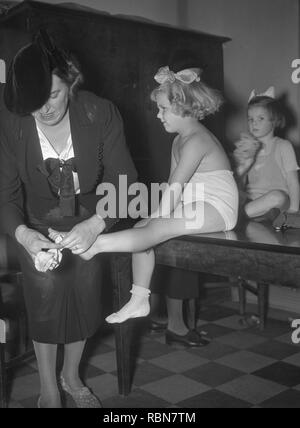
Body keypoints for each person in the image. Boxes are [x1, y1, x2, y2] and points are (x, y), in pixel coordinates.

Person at [0, 31, 137, 407]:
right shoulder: (11, 123)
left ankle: (71, 376)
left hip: (93, 218)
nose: (44, 108)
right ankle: (48, 390)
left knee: (85, 299)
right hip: (37, 223)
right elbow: (5, 194)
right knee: (45, 299)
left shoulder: (99, 111)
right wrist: (24, 235)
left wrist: (95, 225)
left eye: (54, 95)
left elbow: (124, 181)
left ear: (71, 81)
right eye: (34, 102)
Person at [53, 65, 239, 325]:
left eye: (163, 109)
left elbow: (176, 188)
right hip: (197, 201)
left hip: (219, 208)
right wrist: (153, 219)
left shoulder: (198, 139)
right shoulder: (179, 140)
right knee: (144, 226)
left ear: (182, 107)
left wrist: (159, 218)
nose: (159, 115)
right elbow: (173, 187)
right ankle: (139, 298)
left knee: (154, 227)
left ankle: (95, 245)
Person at [233, 86, 300, 225]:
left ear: (274, 120)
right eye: (250, 119)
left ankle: (236, 216)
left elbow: (293, 182)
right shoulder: (247, 147)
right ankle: (251, 214)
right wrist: (245, 164)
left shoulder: (283, 146)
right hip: (251, 201)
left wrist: (294, 210)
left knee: (277, 197)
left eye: (261, 118)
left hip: (277, 201)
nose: (254, 123)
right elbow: (239, 182)